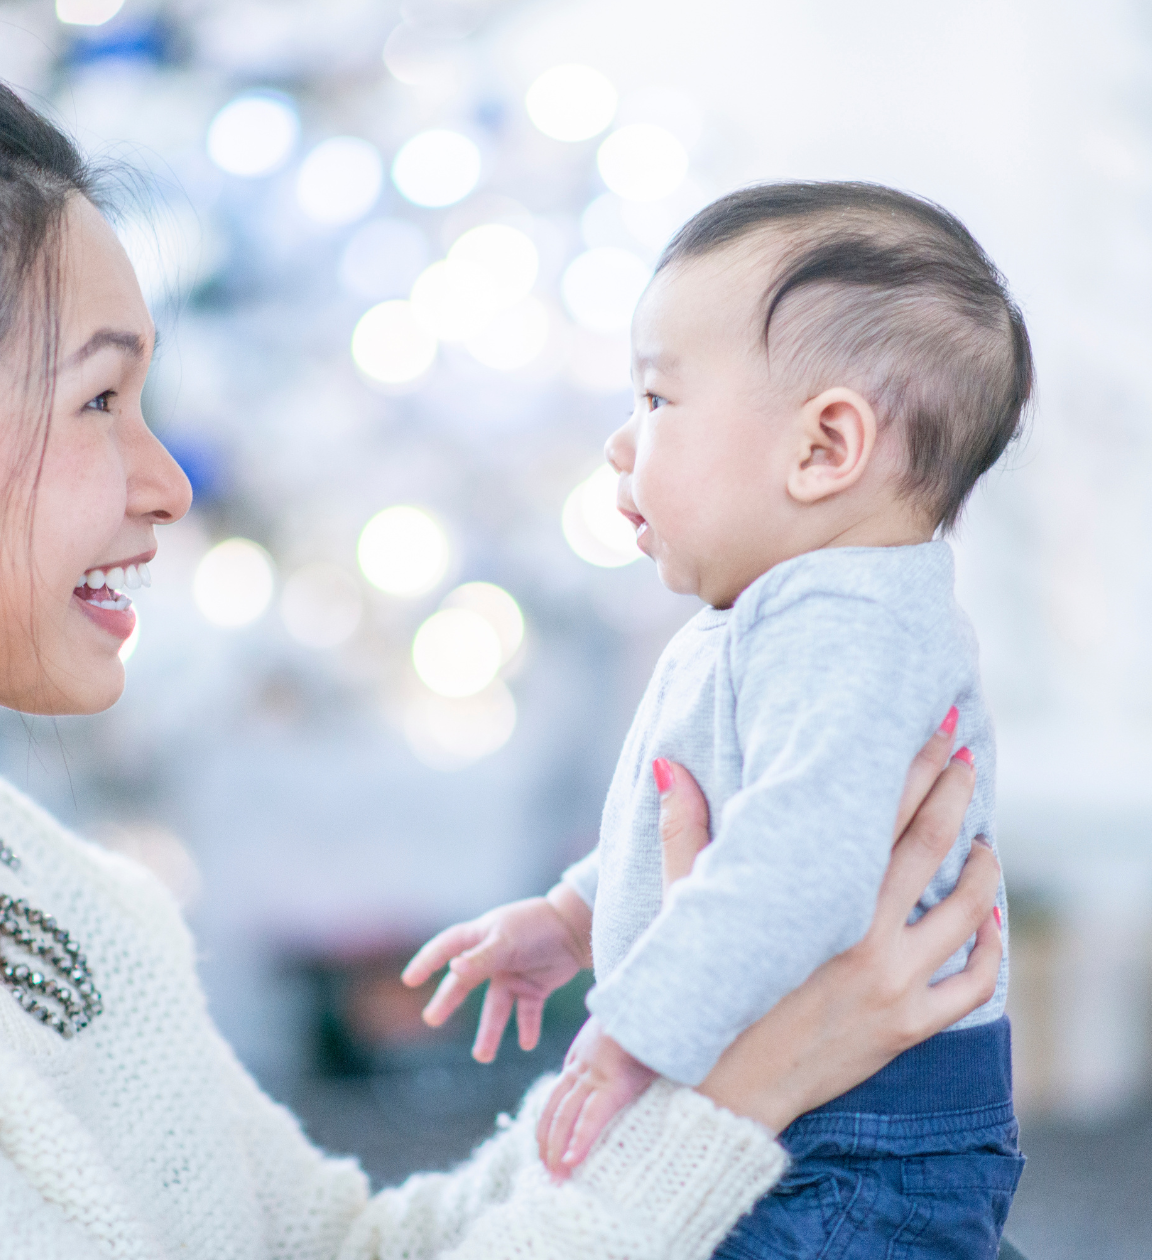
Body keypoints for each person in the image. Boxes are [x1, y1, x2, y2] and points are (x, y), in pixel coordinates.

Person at [0, 67, 1006, 1260]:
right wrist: (728, 1096)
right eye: (97, 401)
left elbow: (341, 1254)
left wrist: (701, 1093)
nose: (169, 484)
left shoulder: (36, 882)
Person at [403, 182, 1031, 1258]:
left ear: (824, 447)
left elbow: (799, 862)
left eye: (655, 401)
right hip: (816, 1100)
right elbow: (738, 825)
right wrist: (570, 917)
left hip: (860, 1137)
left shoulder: (850, 624)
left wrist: (631, 1033)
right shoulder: (781, 614)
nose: (617, 446)